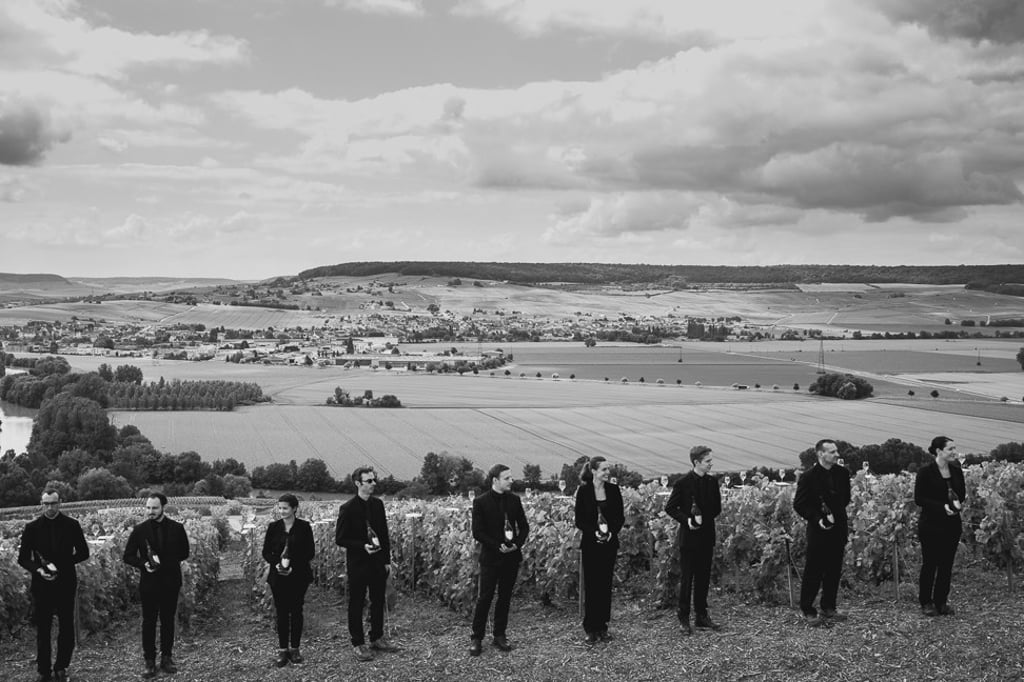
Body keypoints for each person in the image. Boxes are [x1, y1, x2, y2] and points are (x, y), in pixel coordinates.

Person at [17, 489, 90, 682]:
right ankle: (44, 670)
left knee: (66, 627)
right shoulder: (31, 528)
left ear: (60, 503)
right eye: (46, 503)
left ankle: (61, 667)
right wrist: (38, 570)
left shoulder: (72, 525)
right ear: (41, 504)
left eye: (53, 503)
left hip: (65, 583)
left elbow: (84, 552)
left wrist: (64, 564)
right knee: (43, 628)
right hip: (42, 585)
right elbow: (23, 558)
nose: (50, 507)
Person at [123, 493, 191, 677]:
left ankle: (167, 658)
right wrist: (143, 563)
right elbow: (128, 556)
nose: (150, 511)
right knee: (149, 622)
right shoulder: (139, 530)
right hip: (149, 583)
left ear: (163, 508)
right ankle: (149, 661)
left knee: (168, 621)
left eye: (154, 508)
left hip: (170, 582)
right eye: (148, 508)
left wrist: (167, 560)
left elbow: (185, 552)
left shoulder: (177, 528)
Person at [336, 466, 398, 662]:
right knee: (356, 602)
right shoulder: (347, 508)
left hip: (377, 563)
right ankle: (358, 643)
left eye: (374, 480)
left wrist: (386, 561)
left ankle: (377, 637)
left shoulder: (377, 505)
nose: (373, 484)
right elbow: (340, 538)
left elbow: (384, 534)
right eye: (369, 481)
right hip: (358, 563)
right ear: (358, 483)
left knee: (378, 600)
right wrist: (362, 546)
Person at [469, 464, 529, 656]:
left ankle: (499, 635)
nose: (511, 480)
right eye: (507, 478)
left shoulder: (514, 500)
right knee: (485, 597)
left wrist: (516, 545)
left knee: (505, 597)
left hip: (511, 557)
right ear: (495, 480)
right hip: (491, 558)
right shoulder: (480, 502)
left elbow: (524, 527)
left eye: (511, 477)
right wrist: (497, 546)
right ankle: (477, 638)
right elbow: (477, 532)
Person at [665, 446, 723, 635]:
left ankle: (701, 616)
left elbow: (717, 508)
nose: (711, 464)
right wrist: (688, 521)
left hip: (706, 536)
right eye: (708, 461)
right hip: (689, 539)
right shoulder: (682, 483)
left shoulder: (712, 482)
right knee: (687, 579)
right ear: (696, 462)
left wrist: (703, 519)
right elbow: (670, 508)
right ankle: (683, 617)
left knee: (703, 578)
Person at [793, 439, 851, 625]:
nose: (837, 455)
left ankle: (829, 607)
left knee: (834, 570)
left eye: (836, 451)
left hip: (838, 528)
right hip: (818, 530)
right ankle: (808, 609)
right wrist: (818, 517)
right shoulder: (808, 477)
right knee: (814, 570)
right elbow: (799, 504)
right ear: (820, 454)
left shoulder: (842, 473)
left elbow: (846, 498)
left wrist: (835, 513)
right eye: (832, 452)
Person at [574, 456, 624, 643]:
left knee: (605, 585)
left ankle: (603, 626)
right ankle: (590, 627)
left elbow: (619, 517)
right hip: (591, 544)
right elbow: (579, 520)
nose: (607, 472)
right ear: (593, 471)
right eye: (604, 469)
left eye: (608, 469)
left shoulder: (614, 490)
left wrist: (611, 532)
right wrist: (594, 533)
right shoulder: (583, 491)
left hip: (609, 544)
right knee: (591, 585)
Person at [262, 493, 315, 666]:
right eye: (280, 508)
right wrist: (277, 564)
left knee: (297, 611)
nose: (282, 511)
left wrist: (293, 566)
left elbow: (309, 552)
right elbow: (266, 552)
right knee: (282, 612)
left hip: (299, 576)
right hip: (278, 577)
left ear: (294, 508)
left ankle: (295, 649)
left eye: (285, 508)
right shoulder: (273, 527)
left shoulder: (304, 527)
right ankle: (282, 650)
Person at [915, 436, 965, 616]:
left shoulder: (956, 470)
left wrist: (955, 506)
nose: (954, 452)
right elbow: (919, 498)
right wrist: (942, 507)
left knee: (946, 565)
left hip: (952, 525)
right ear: (938, 451)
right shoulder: (925, 472)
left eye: (954, 448)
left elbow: (962, 494)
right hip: (931, 525)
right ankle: (926, 602)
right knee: (930, 564)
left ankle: (941, 602)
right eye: (950, 449)